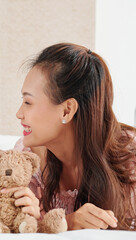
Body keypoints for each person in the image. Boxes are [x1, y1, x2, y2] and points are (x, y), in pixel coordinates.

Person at [14, 43, 136, 230]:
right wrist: (67, 223)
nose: (19, 113)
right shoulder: (26, 159)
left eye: (28, 102)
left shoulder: (130, 155)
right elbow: (11, 225)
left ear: (67, 110)